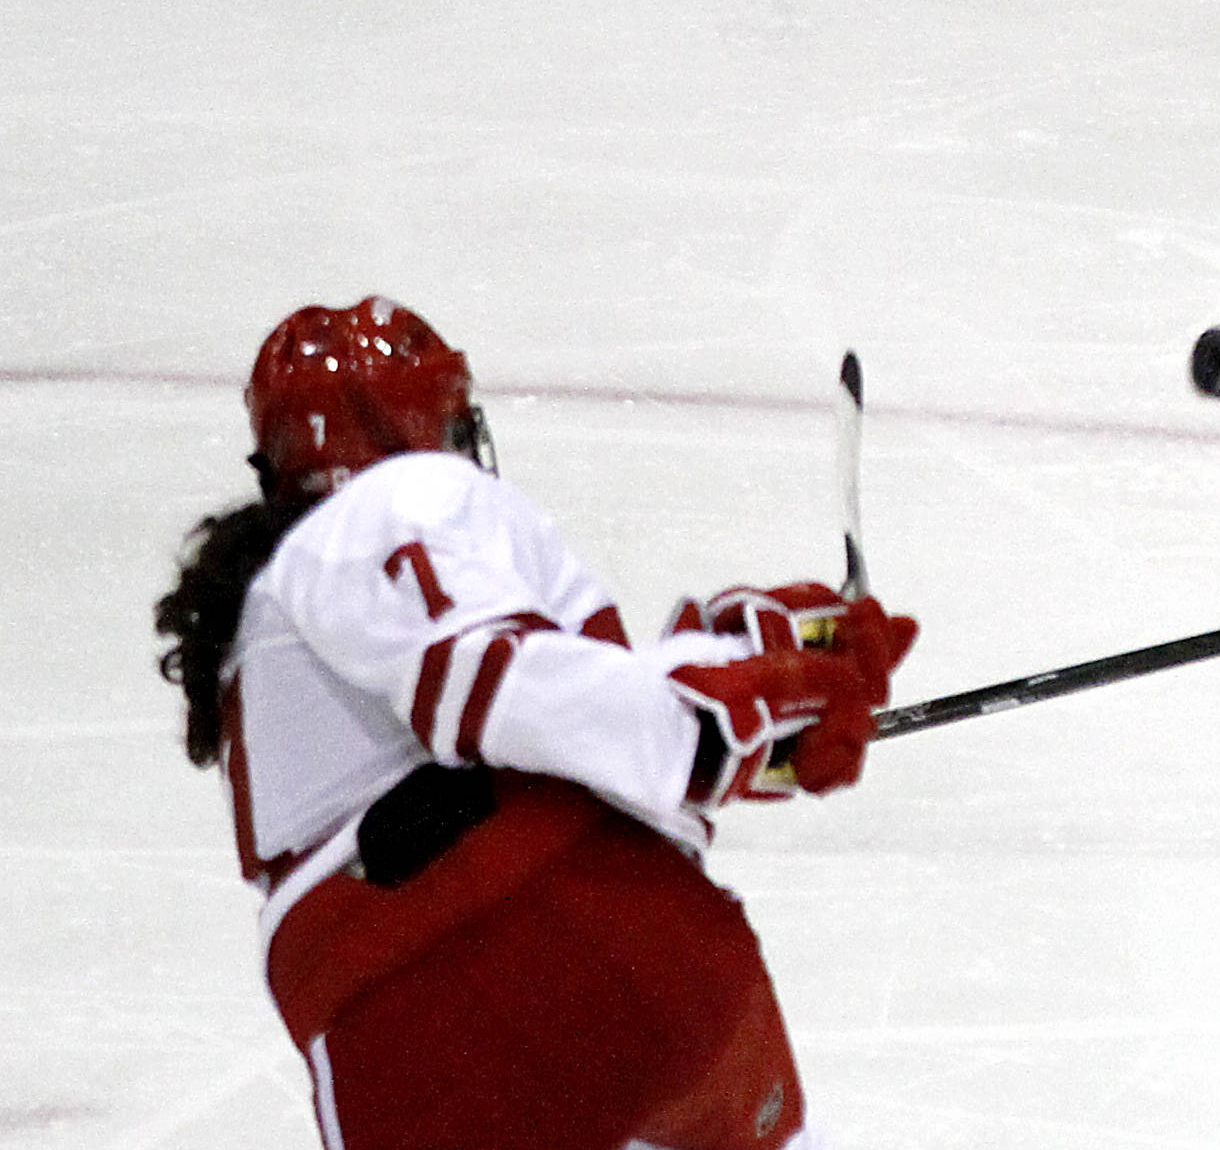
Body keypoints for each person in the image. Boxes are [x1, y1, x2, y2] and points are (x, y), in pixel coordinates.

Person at [152, 298, 923, 1149]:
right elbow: (485, 685)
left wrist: (738, 687)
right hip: (661, 957)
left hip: (447, 1022)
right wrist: (710, 716)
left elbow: (538, 710)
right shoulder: (393, 504)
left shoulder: (293, 622)